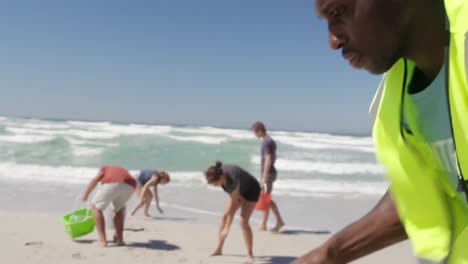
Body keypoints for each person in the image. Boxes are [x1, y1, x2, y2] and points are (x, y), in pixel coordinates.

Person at [294, 0, 468, 263]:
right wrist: (329, 254)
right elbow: (428, 191)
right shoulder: (398, 95)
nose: (333, 41)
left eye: (338, 11)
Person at [205, 161, 261, 263]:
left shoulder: (232, 180)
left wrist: (227, 228)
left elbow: (233, 206)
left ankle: (250, 254)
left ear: (221, 177)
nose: (215, 186)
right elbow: (232, 203)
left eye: (216, 184)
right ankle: (219, 249)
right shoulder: (218, 172)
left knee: (243, 221)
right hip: (239, 190)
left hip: (252, 191)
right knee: (224, 216)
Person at [80, 165, 136, 247]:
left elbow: (95, 180)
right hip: (130, 186)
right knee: (118, 209)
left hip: (114, 182)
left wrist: (86, 194)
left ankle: (102, 241)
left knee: (95, 207)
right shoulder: (121, 170)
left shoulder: (104, 168)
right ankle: (120, 240)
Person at [251, 121, 285, 232]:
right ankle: (268, 223)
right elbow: (274, 156)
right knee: (266, 199)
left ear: (260, 130)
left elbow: (269, 159)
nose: (255, 135)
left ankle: (273, 223)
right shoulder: (270, 141)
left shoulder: (266, 142)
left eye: (255, 132)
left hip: (268, 174)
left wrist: (264, 176)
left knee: (265, 199)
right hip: (271, 172)